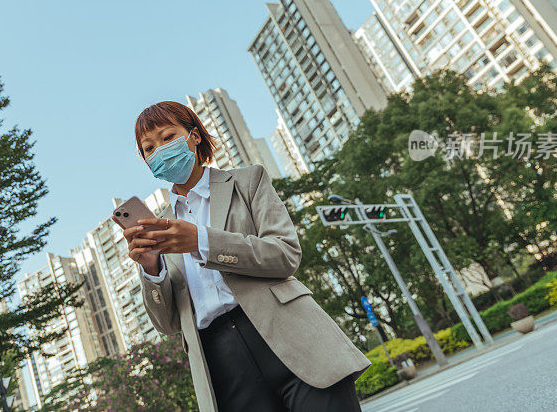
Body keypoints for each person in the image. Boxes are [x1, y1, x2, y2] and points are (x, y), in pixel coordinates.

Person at [117, 100, 370, 412]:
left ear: (194, 136)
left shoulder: (248, 181)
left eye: (168, 137)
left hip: (290, 337)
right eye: (149, 148)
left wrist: (201, 241)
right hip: (222, 365)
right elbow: (168, 325)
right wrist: (152, 269)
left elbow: (284, 254)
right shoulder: (160, 227)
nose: (160, 151)